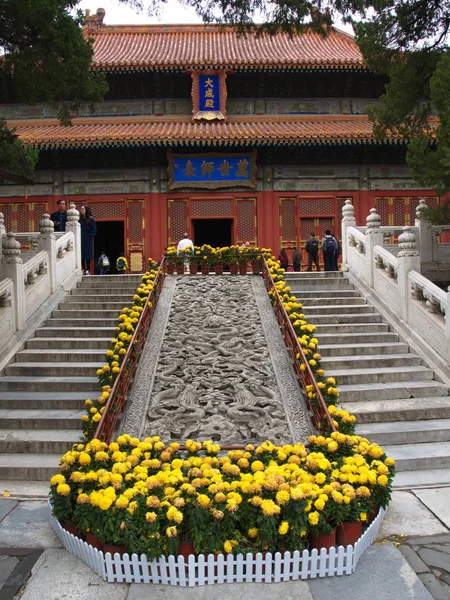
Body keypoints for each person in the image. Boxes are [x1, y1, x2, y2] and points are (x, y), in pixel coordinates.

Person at [79, 205, 96, 275]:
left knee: (88, 255)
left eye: (83, 209)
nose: (81, 210)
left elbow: (94, 231)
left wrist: (89, 237)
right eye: (81, 209)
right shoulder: (79, 220)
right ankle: (83, 268)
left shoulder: (91, 219)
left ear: (86, 210)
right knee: (81, 255)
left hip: (88, 240)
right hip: (80, 239)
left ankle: (88, 269)